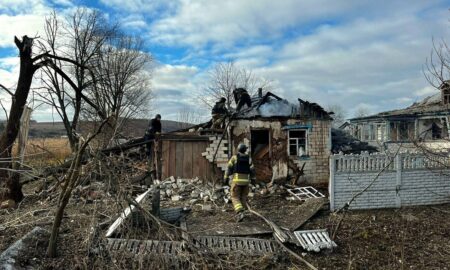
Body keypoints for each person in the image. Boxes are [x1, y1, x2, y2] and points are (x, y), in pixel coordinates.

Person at [224, 143, 255, 222]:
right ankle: (244, 213)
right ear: (245, 150)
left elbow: (228, 168)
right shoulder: (249, 158)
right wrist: (253, 180)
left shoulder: (234, 158)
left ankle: (240, 212)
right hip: (246, 183)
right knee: (243, 197)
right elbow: (252, 170)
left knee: (234, 197)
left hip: (237, 182)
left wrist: (226, 178)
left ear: (238, 149)